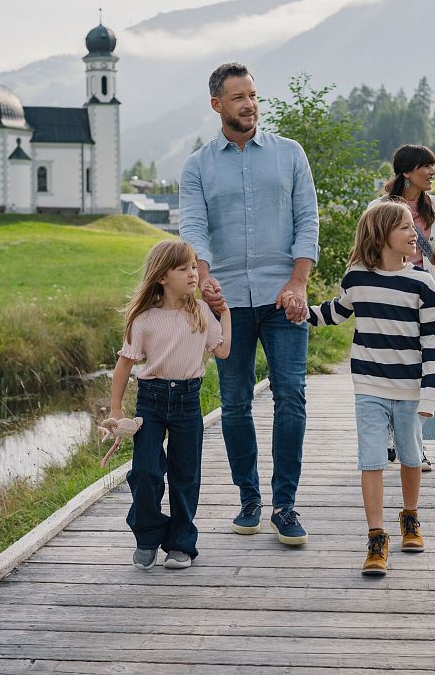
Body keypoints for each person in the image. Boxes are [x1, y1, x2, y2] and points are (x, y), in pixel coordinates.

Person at [179, 62, 319, 546]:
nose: (249, 104)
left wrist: (299, 283)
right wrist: (205, 276)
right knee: (235, 404)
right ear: (217, 105)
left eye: (253, 95)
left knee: (291, 397)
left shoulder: (290, 154)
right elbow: (193, 227)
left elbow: (308, 221)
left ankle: (285, 504)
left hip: (285, 298)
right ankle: (249, 499)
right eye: (238, 97)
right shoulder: (197, 166)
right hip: (227, 303)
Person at [306, 201, 435, 576]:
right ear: (382, 234)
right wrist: (301, 312)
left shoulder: (423, 282)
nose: (413, 233)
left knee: (410, 456)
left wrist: (430, 394)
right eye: (404, 227)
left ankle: (411, 517)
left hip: (410, 388)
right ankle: (376, 537)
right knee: (370, 459)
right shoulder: (356, 277)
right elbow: (335, 311)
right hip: (368, 385)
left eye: (412, 227)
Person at [107, 239, 231, 570]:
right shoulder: (143, 319)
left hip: (188, 401)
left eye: (194, 267)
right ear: (162, 276)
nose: (193, 274)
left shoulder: (201, 312)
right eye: (184, 268)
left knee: (185, 476)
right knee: (146, 471)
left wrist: (225, 312)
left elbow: (221, 351)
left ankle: (180, 545)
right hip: (151, 400)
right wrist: (116, 409)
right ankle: (148, 536)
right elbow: (124, 364)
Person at [371, 144, 435, 471]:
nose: (433, 172)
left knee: (427, 370)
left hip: (427, 296)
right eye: (427, 167)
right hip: (391, 298)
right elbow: (369, 253)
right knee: (392, 368)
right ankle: (391, 437)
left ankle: (416, 445)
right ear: (407, 172)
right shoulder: (379, 207)